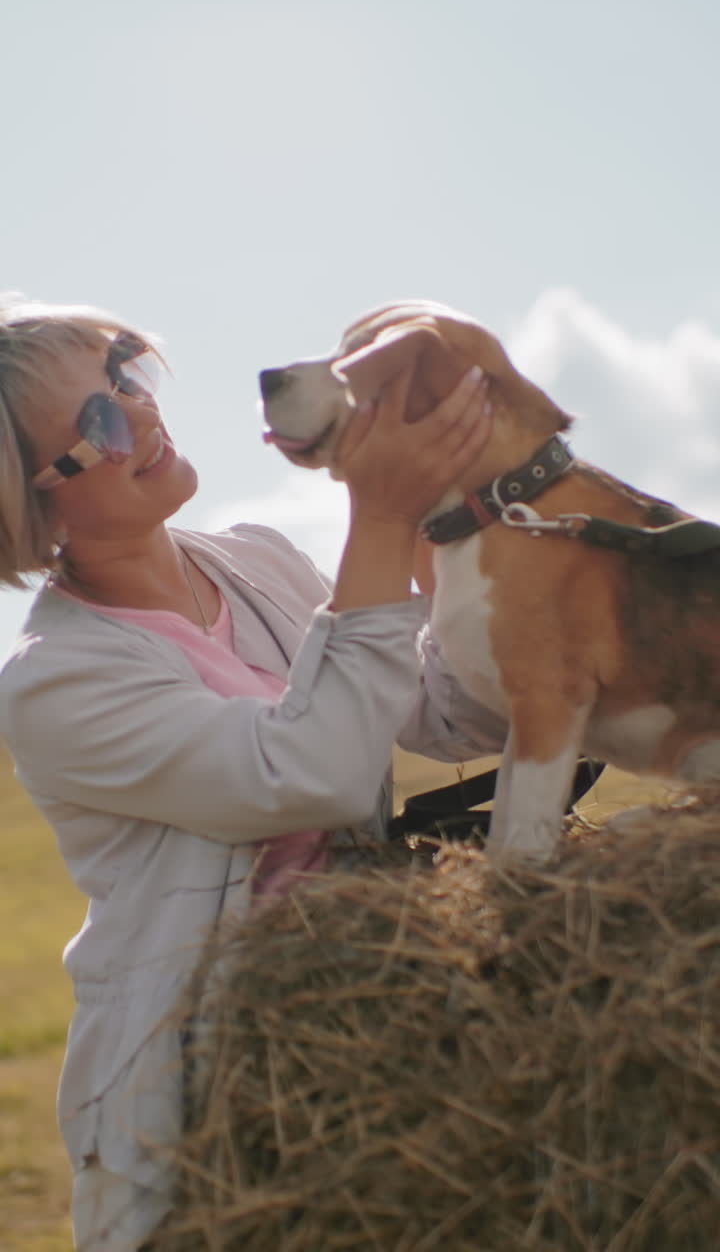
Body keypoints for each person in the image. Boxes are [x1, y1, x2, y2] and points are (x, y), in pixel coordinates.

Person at [0, 298, 507, 1251]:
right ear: (29, 504)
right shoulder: (56, 681)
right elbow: (308, 774)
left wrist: (445, 512)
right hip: (222, 1090)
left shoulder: (260, 562)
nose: (141, 417)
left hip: (378, 1025)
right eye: (96, 425)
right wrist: (383, 516)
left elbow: (450, 714)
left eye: (124, 378)